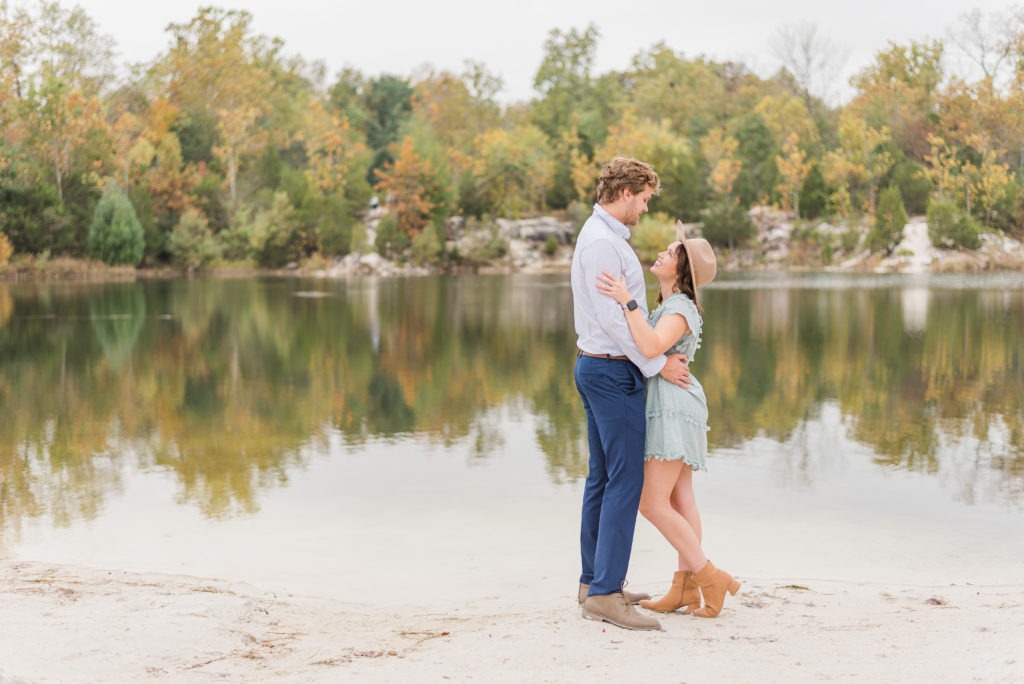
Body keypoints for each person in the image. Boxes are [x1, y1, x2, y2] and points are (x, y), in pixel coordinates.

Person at [570, 157, 692, 632]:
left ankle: (594, 583)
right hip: (611, 371)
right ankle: (604, 594)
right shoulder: (602, 244)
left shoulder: (602, 237)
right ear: (626, 192)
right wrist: (658, 363)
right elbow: (613, 323)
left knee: (602, 478)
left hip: (599, 368)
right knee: (625, 482)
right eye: (643, 199)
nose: (644, 208)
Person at [595, 227, 740, 619]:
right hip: (675, 403)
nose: (661, 252)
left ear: (682, 270)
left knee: (650, 502)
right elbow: (655, 352)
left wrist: (627, 301)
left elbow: (650, 346)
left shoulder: (679, 309)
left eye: (671, 252)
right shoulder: (673, 304)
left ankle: (709, 576)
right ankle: (684, 589)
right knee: (680, 499)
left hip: (674, 408)